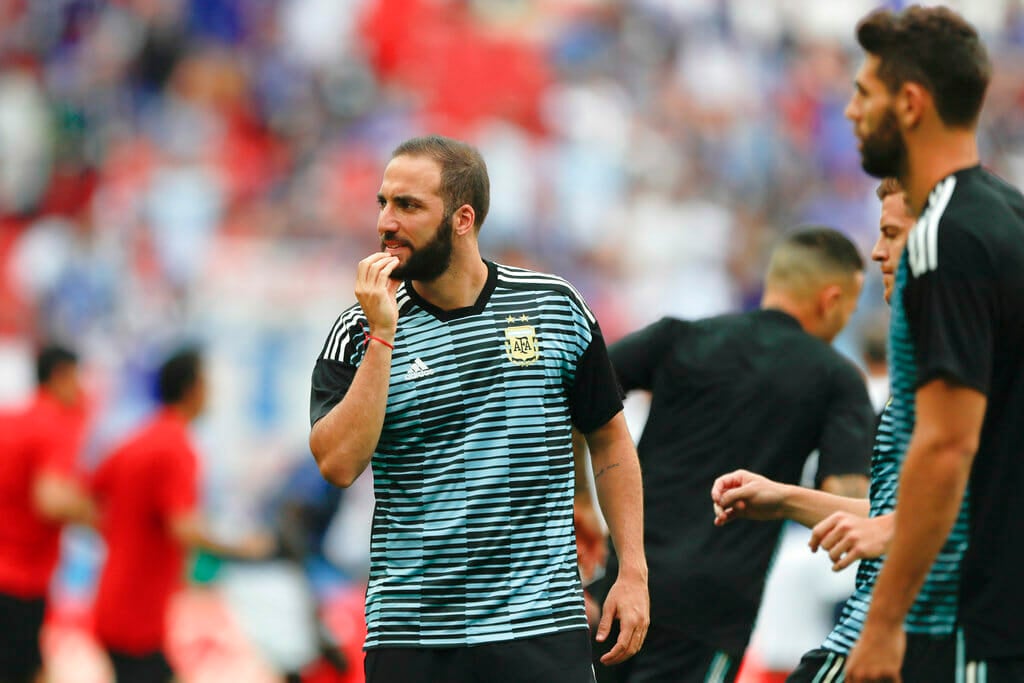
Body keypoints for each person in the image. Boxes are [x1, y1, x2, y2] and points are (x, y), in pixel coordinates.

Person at [308, 134, 649, 683]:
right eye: (383, 203)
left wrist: (632, 569)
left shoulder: (554, 307)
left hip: (540, 627)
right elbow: (338, 465)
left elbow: (609, 439)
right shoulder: (357, 331)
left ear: (462, 219)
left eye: (408, 205)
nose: (386, 222)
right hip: (412, 634)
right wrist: (382, 336)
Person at [589, 226, 875, 683]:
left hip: (627, 580)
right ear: (831, 299)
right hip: (713, 608)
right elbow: (847, 502)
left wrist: (582, 503)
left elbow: (571, 395)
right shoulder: (835, 379)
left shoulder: (680, 337)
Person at [712, 178, 965, 682]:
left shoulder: (970, 362)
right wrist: (783, 499)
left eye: (892, 234)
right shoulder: (922, 363)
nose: (876, 253)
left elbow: (981, 510)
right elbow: (897, 515)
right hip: (874, 623)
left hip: (914, 631)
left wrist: (892, 529)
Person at [839, 6, 1024, 682]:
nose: (852, 111)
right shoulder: (1006, 216)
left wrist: (883, 623)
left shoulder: (945, 238)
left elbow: (948, 443)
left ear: (910, 104)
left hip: (967, 622)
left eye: (865, 92)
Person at [90, 347, 272, 683]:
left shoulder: (137, 438)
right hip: (136, 617)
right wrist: (243, 549)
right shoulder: (177, 447)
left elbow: (90, 493)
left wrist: (121, 533)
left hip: (115, 601)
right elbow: (183, 527)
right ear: (193, 388)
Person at [0, 345, 94, 683]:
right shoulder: (55, 424)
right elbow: (50, 500)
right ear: (61, 376)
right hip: (19, 579)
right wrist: (98, 514)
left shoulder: (9, 419)